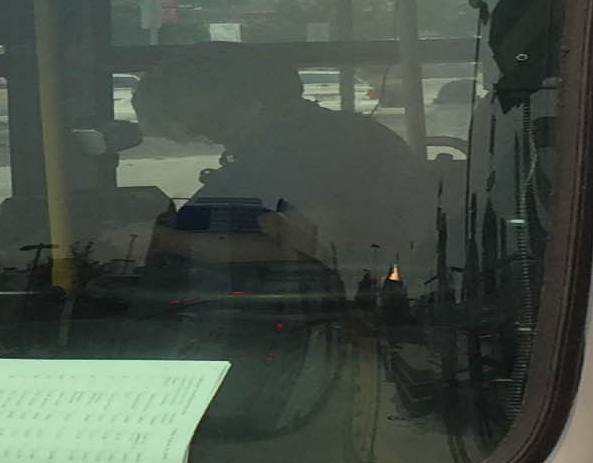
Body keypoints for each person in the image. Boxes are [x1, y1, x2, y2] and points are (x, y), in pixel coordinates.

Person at [129, 39, 431, 285]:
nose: (209, 136)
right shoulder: (309, 136)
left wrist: (160, 240)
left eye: (210, 123)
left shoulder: (318, 146)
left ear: (250, 103)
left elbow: (321, 249)